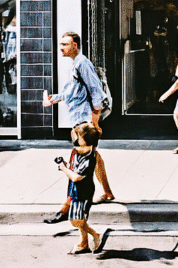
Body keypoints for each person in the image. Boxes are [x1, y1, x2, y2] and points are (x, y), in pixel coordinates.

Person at [42, 31, 115, 223]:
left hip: (84, 121)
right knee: (93, 156)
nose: (61, 48)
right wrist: (53, 99)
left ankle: (66, 207)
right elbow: (71, 92)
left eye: (65, 44)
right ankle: (107, 192)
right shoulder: (75, 64)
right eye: (61, 44)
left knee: (78, 161)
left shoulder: (82, 63)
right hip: (78, 119)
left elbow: (97, 91)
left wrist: (95, 122)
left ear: (75, 45)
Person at [56, 122, 103, 255]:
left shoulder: (89, 159)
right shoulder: (79, 151)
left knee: (76, 220)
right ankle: (83, 243)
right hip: (75, 190)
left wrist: (64, 169)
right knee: (80, 217)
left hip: (83, 193)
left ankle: (95, 234)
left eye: (78, 137)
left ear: (86, 141)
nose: (75, 139)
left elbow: (76, 177)